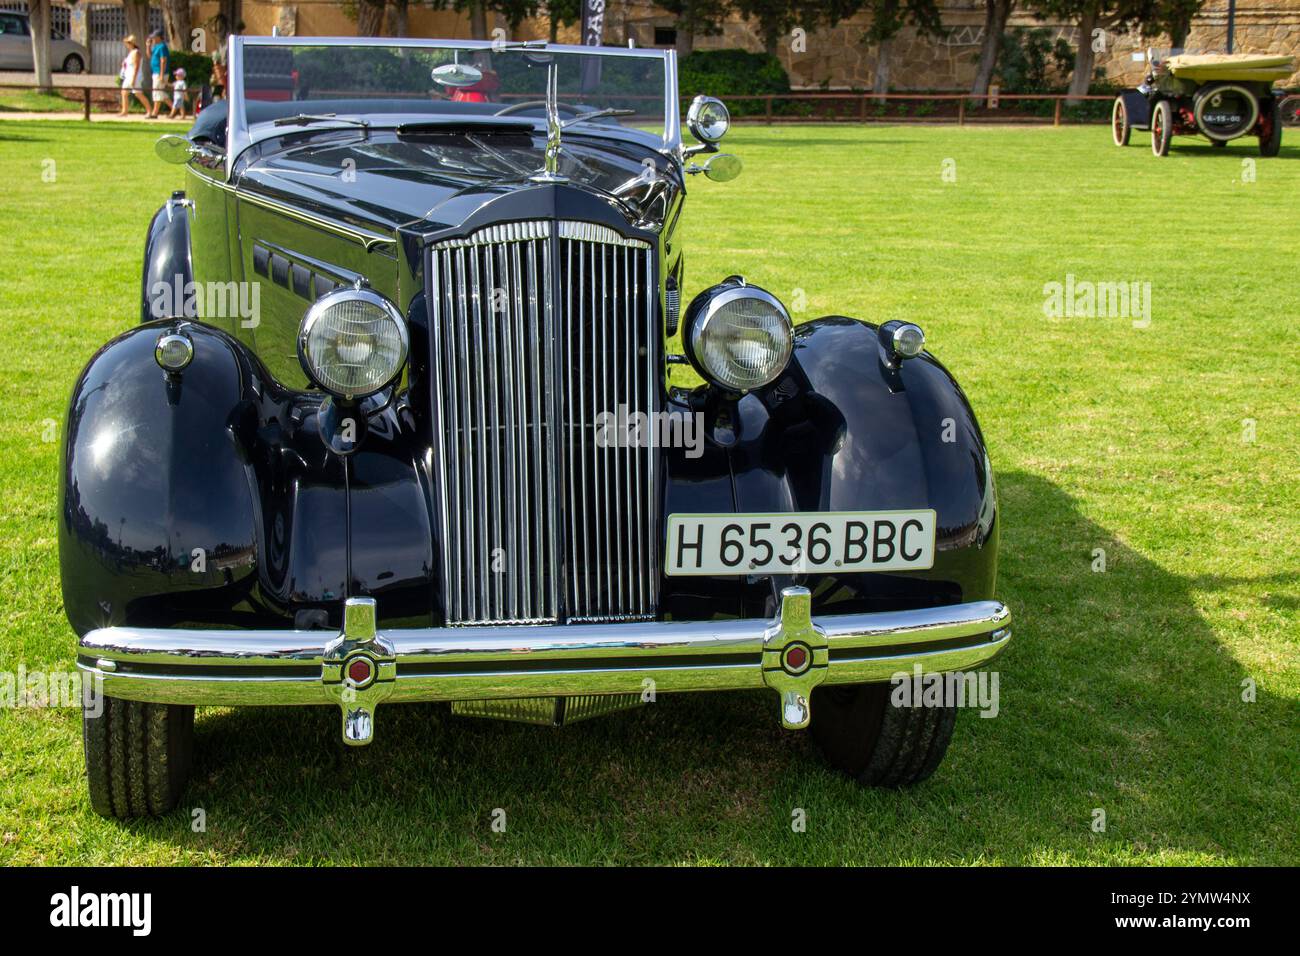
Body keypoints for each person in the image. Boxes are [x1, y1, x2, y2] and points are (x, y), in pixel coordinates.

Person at [116, 35, 150, 117]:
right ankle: (124, 111)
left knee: (138, 94)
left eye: (127, 43)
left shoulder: (136, 52)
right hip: (128, 76)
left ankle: (149, 111)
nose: (126, 45)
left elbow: (136, 66)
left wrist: (134, 79)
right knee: (124, 92)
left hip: (134, 77)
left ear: (131, 44)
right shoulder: (131, 53)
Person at [146, 29, 170, 119]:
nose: (153, 39)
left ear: (159, 37)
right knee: (160, 93)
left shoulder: (162, 47)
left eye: (154, 37)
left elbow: (163, 60)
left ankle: (154, 113)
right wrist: (148, 46)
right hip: (155, 72)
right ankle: (174, 109)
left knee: (157, 92)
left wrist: (161, 74)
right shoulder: (156, 46)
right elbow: (150, 56)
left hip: (160, 73)